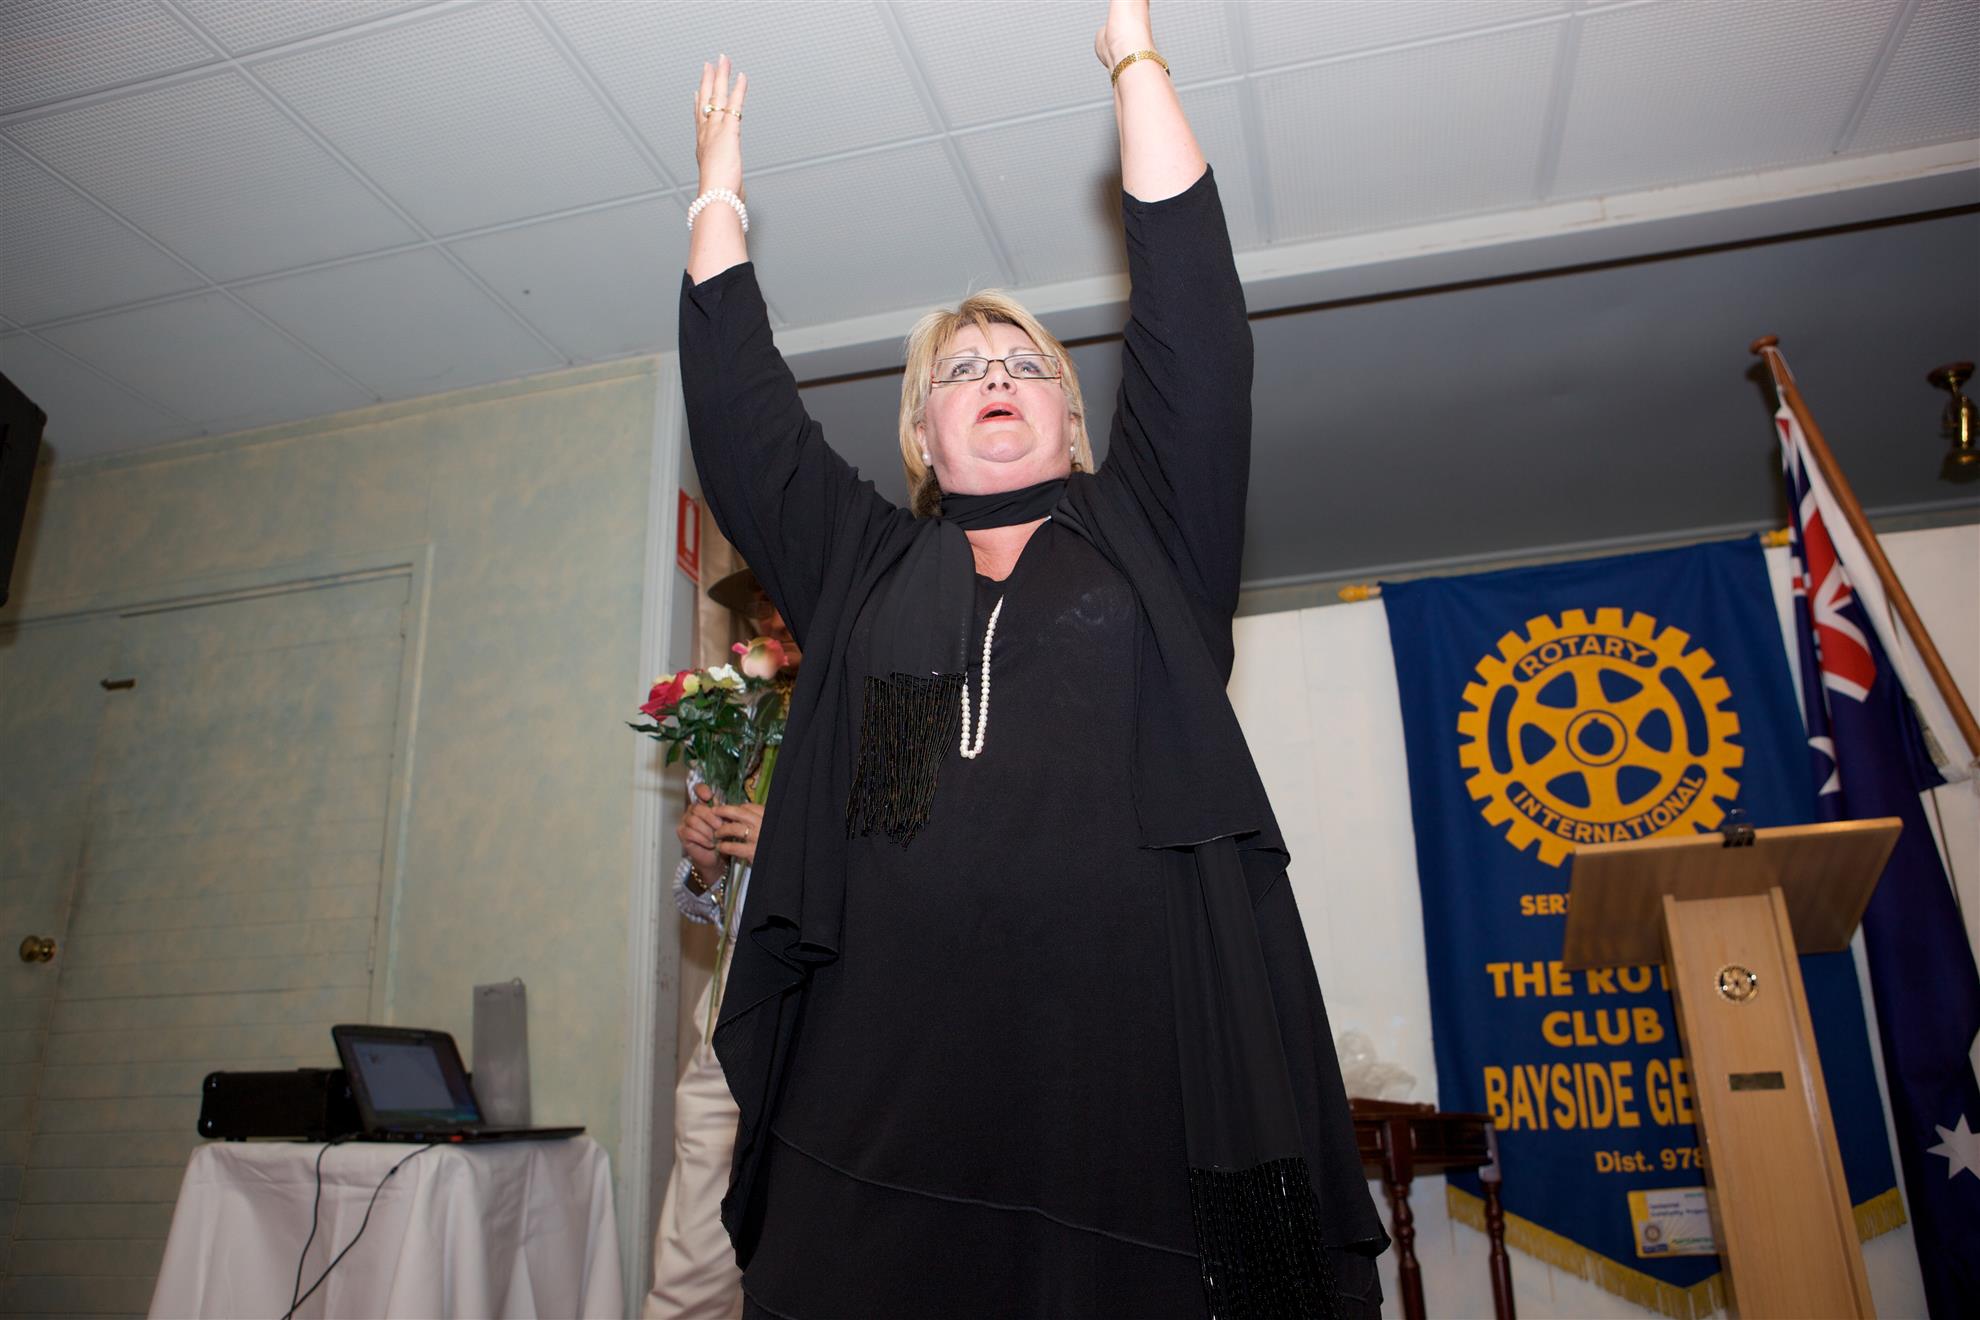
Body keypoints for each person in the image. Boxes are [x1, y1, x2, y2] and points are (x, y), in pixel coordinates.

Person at [678, 3, 1387, 1315]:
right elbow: (743, 425)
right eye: (959, 369)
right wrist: (716, 194)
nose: (994, 375)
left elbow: (1195, 326)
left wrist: (1135, 60)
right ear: (921, 433)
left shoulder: (1148, 537)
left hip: (1145, 1084)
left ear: (1071, 417)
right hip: (890, 1099)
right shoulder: (871, 571)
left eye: (1024, 363)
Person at [647, 576, 794, 1320]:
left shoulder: (879, 703)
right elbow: (707, 903)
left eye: (784, 591)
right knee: (695, 1243)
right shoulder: (730, 716)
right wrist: (705, 864)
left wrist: (795, 850)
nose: (775, 613)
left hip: (826, 995)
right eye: (763, 602)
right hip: (732, 992)